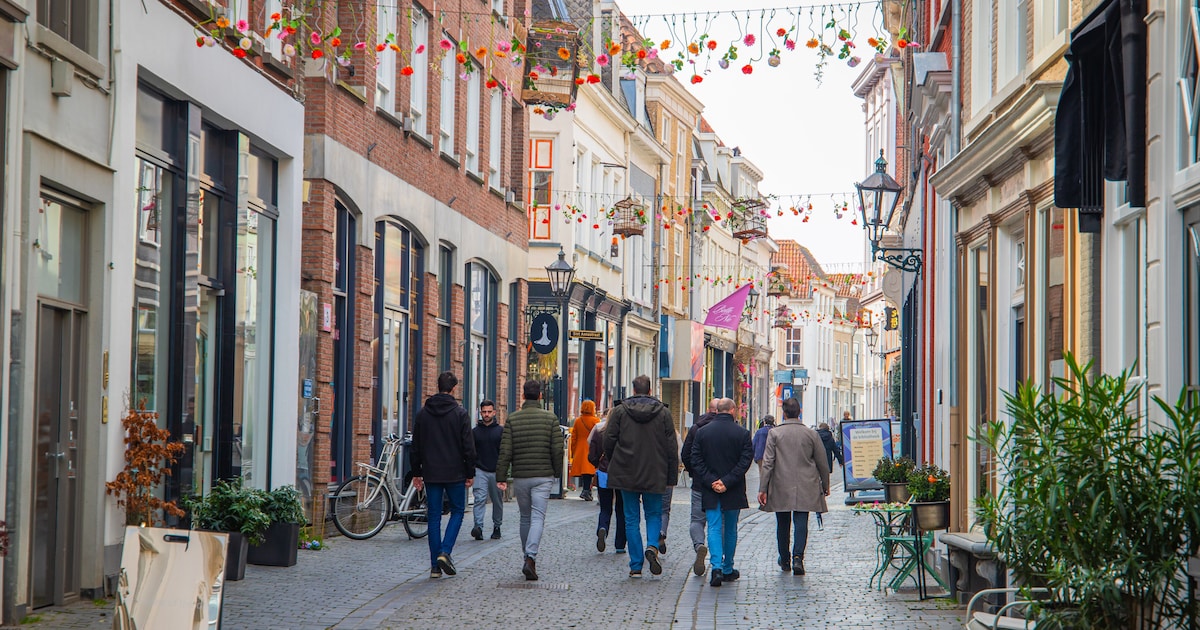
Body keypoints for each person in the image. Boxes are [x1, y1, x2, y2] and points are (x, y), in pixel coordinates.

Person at [603, 375, 679, 578]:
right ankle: (652, 546)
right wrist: (671, 476)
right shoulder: (663, 413)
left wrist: (614, 461)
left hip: (626, 471)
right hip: (655, 471)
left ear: (634, 390)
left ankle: (636, 565)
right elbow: (671, 447)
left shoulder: (620, 411)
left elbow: (608, 440)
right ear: (650, 390)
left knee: (631, 518)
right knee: (653, 514)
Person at [410, 371, 476, 579]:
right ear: (454, 389)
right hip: (455, 472)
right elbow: (468, 447)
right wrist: (470, 472)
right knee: (457, 511)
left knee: (433, 516)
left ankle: (435, 567)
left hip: (431, 472)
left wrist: (416, 472)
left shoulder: (423, 414)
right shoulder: (460, 414)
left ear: (438, 387)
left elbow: (416, 446)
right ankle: (445, 552)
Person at [495, 381, 563, 581]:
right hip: (543, 476)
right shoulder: (550, 418)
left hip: (521, 476)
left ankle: (527, 557)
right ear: (540, 396)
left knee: (525, 517)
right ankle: (531, 557)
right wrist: (557, 472)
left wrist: (501, 476)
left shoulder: (513, 419)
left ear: (523, 396)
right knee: (538, 517)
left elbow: (505, 451)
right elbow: (557, 449)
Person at [758, 397, 831, 576]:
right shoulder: (811, 434)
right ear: (800, 412)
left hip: (780, 484)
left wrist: (763, 488)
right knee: (801, 521)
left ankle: (784, 559)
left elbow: (768, 462)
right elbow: (822, 462)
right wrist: (825, 484)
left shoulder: (775, 434)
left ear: (783, 413)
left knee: (782, 523)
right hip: (806, 483)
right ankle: (798, 557)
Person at [691, 398, 753, 587]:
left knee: (714, 526)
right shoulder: (742, 434)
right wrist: (727, 481)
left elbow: (695, 459)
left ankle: (716, 567)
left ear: (717, 411)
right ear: (733, 410)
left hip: (710, 489)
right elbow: (745, 461)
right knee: (731, 528)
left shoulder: (702, 432)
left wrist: (711, 480)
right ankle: (727, 568)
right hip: (733, 488)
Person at [681, 399, 718, 576]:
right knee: (717, 523)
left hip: (699, 483)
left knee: (697, 520)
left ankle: (699, 545)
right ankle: (719, 561)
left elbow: (685, 454)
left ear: (708, 409)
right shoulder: (729, 428)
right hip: (721, 484)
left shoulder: (696, 428)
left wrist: (693, 472)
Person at [587, 409, 626, 554]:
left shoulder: (599, 431)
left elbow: (592, 454)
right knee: (621, 509)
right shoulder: (624, 433)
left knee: (605, 507)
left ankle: (602, 527)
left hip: (604, 472)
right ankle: (620, 545)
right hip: (621, 474)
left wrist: (597, 464)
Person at [470, 400, 504, 541]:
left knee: (497, 500)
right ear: (480, 412)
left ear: (494, 412)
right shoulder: (475, 432)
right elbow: (471, 452)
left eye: (489, 412)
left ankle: (497, 526)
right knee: (479, 498)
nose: (486, 414)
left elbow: (504, 452)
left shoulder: (500, 431)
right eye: (484, 412)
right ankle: (478, 527)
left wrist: (503, 471)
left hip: (496, 470)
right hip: (480, 470)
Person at [814, 422, 843, 532]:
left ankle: (818, 491)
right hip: (826, 462)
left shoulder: (815, 436)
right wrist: (840, 461)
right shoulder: (830, 438)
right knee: (824, 477)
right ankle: (824, 490)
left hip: (816, 463)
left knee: (816, 479)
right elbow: (835, 450)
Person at [569, 400, 600, 501]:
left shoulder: (578, 421)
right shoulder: (596, 421)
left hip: (580, 448)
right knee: (590, 471)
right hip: (591, 447)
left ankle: (586, 489)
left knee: (584, 471)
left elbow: (574, 437)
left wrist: (573, 450)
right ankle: (587, 490)